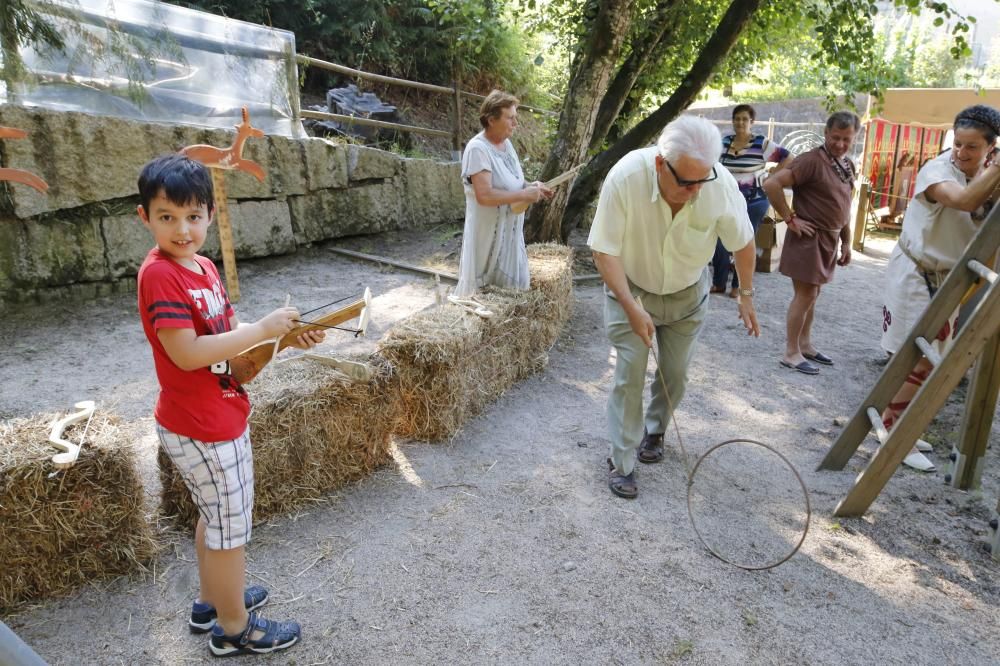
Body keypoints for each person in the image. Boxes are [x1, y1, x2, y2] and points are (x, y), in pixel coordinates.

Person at [136, 154, 323, 657]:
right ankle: (234, 627)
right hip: (203, 425)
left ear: (210, 216)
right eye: (167, 217)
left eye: (193, 217)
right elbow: (187, 352)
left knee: (215, 516)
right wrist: (262, 328)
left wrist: (280, 341)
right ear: (145, 217)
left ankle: (209, 602)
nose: (182, 229)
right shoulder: (160, 276)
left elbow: (228, 344)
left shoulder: (203, 268)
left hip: (217, 414)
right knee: (229, 528)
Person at [589, 115, 761, 499]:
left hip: (686, 293)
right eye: (685, 182)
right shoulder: (626, 177)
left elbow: (743, 243)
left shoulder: (717, 184)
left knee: (675, 374)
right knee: (629, 375)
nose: (695, 191)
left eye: (702, 180)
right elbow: (604, 250)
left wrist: (746, 294)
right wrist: (632, 307)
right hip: (629, 288)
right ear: (659, 165)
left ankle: (656, 428)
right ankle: (623, 462)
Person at [880, 104, 1000, 472]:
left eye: (972, 147)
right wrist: (996, 168)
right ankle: (890, 429)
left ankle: (901, 424)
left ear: (989, 148)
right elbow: (964, 201)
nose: (961, 153)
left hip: (949, 280)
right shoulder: (938, 169)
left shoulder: (984, 173)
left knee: (931, 361)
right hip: (917, 272)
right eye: (958, 143)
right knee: (914, 358)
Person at [763, 111, 860, 375]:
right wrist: (790, 219)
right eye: (836, 137)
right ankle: (790, 352)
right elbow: (771, 184)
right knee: (805, 295)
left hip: (829, 238)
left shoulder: (846, 165)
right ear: (826, 133)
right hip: (809, 239)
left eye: (846, 139)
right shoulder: (810, 161)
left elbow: (845, 208)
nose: (840, 144)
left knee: (813, 296)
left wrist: (847, 243)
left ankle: (805, 344)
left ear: (854, 138)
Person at [454, 90, 553, 297]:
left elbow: (512, 182)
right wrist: (524, 195)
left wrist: (531, 185)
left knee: (513, 296)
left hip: (511, 233)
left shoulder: (506, 144)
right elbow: (485, 195)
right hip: (488, 235)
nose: (515, 124)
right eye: (510, 118)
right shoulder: (477, 149)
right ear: (491, 120)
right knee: (485, 295)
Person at [711, 104, 792, 296]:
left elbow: (788, 158)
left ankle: (739, 285)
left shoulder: (761, 143)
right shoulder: (724, 143)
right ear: (733, 121)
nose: (740, 122)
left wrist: (773, 176)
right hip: (727, 199)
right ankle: (719, 282)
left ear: (752, 122)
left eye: (744, 119)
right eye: (737, 118)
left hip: (755, 199)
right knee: (720, 239)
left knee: (745, 239)